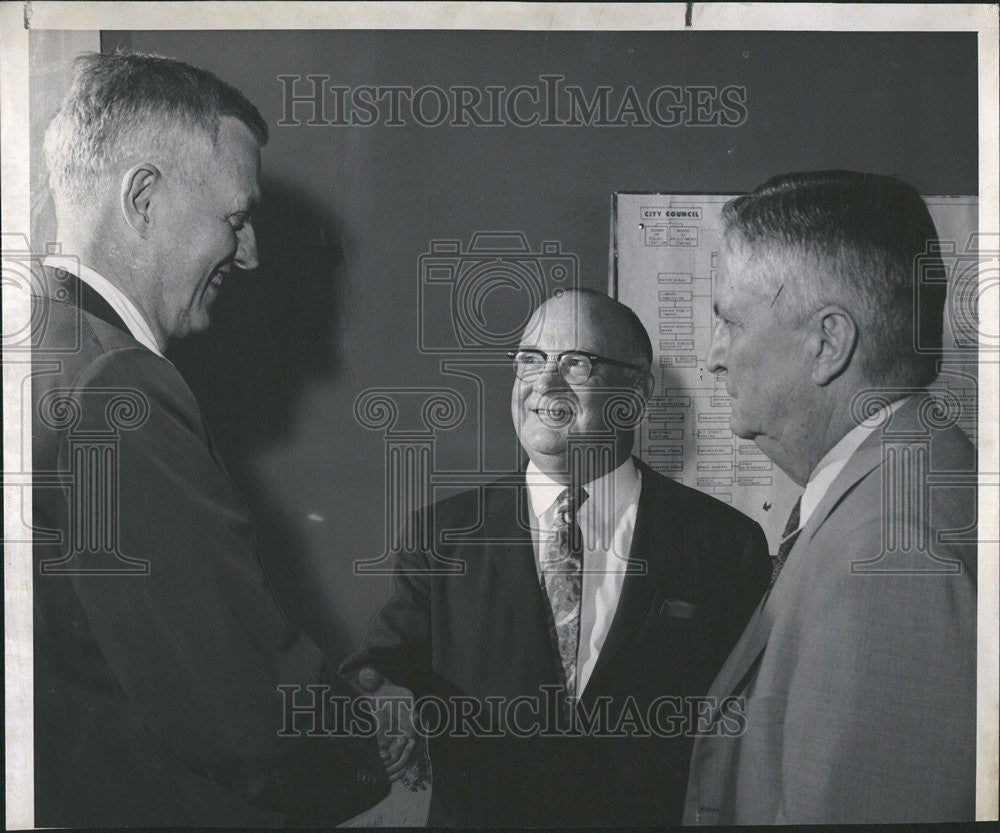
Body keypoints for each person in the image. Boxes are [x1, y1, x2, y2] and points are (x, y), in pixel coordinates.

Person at [30, 51, 388, 827]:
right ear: (144, 199)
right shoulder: (118, 386)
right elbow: (239, 711)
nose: (250, 250)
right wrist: (377, 739)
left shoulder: (35, 353)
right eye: (234, 217)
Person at [341, 288, 771, 826]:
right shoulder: (444, 534)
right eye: (530, 360)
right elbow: (380, 667)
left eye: (575, 363)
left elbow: (754, 727)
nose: (545, 383)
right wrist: (386, 696)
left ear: (635, 395)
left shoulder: (725, 543)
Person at [683, 170, 977, 824]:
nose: (714, 355)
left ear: (828, 343)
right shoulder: (888, 492)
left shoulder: (893, 554)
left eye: (730, 321)